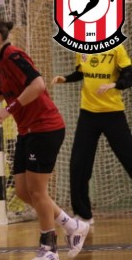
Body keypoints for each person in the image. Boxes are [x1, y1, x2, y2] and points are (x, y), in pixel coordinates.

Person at [0, 15, 90, 260]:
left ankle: (49, 248)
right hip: (27, 131)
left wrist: (9, 110)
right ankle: (73, 226)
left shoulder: (14, 55)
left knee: (37, 191)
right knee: (24, 191)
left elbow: (37, 84)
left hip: (45, 127)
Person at [51, 44, 132, 225]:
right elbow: (81, 74)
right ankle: (83, 215)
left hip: (113, 114)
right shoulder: (82, 48)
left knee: (129, 158)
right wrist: (65, 78)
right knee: (78, 164)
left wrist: (115, 84)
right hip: (88, 114)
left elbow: (129, 74)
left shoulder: (116, 48)